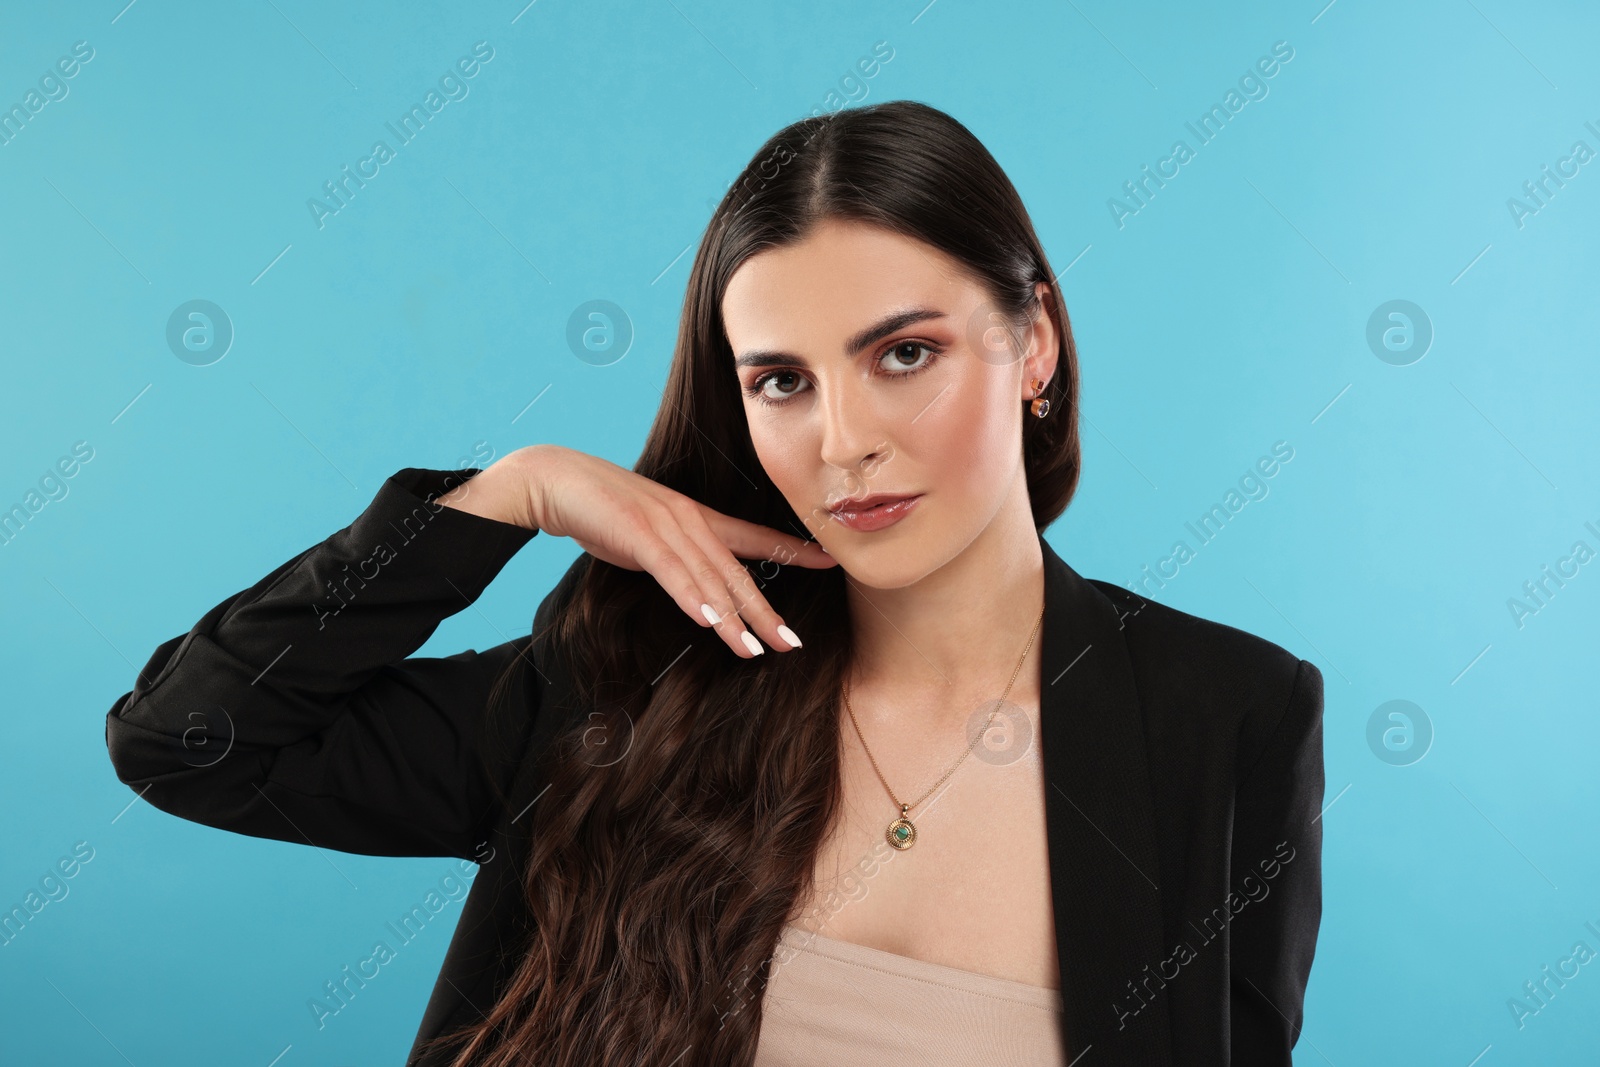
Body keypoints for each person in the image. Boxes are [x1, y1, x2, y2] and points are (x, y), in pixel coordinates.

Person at [105, 99, 1324, 1066]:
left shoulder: (1228, 716)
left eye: (905, 353)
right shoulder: (632, 671)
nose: (843, 438)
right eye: (781, 380)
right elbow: (190, 738)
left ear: (1033, 344)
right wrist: (508, 494)